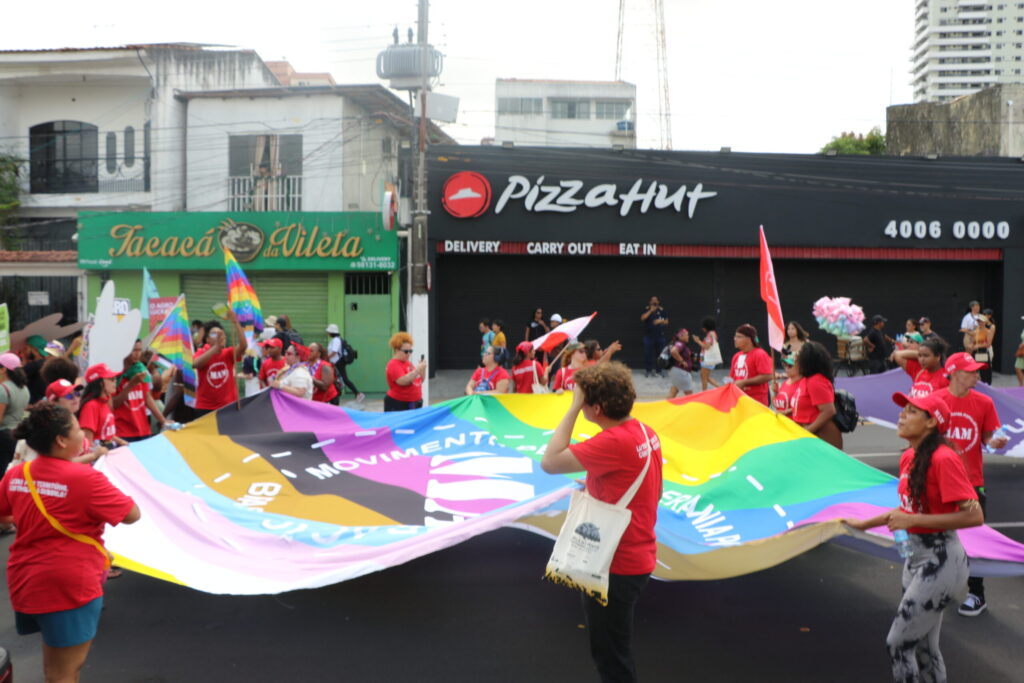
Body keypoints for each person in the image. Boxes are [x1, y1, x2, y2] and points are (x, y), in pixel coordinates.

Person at [844, 392, 981, 682]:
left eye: (911, 411)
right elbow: (908, 509)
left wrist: (913, 520)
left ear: (931, 422)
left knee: (898, 644)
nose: (901, 416)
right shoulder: (909, 456)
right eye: (902, 410)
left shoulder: (944, 459)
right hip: (916, 559)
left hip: (942, 562)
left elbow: (974, 515)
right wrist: (864, 524)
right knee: (923, 648)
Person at [0, 402, 140, 683]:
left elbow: (4, 515)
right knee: (64, 673)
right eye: (77, 429)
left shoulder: (18, 473)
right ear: (61, 440)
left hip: (25, 579)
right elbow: (131, 514)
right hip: (68, 584)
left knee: (54, 666)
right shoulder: (87, 479)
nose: (83, 436)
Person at [541, 363, 663, 683]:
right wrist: (599, 485)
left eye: (583, 402)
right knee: (615, 650)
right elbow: (651, 489)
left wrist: (571, 408)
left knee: (612, 659)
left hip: (614, 564)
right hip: (636, 555)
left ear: (595, 408)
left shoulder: (613, 442)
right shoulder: (645, 432)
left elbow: (549, 461)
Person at [932, 352, 1009, 617]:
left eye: (977, 370)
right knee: (939, 538)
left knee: (974, 539)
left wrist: (994, 442)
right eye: (971, 371)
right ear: (954, 373)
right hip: (939, 482)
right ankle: (941, 586)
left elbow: (987, 437)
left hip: (971, 482)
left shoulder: (984, 402)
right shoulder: (936, 401)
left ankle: (977, 593)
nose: (977, 375)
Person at [10, 380, 107, 470]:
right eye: (69, 396)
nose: (75, 398)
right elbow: (52, 466)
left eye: (77, 393)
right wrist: (93, 456)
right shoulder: (46, 429)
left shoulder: (71, 421)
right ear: (53, 402)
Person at [111, 340, 169, 441]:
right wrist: (131, 384)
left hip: (143, 429)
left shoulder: (141, 370)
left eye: (139, 350)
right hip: (123, 431)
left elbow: (147, 398)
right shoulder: (115, 373)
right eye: (134, 350)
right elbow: (113, 404)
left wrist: (163, 421)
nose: (137, 354)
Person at [193, 310, 246, 417]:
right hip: (205, 407)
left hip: (228, 406)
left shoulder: (228, 353)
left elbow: (243, 346)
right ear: (208, 340)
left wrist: (236, 322)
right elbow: (196, 364)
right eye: (214, 334)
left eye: (221, 334)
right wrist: (216, 347)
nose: (218, 336)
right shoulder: (202, 351)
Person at [791, 341, 843, 449]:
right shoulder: (805, 380)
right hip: (810, 436)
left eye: (799, 356)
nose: (796, 359)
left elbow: (829, 411)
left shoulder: (816, 381)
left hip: (821, 437)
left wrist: (807, 431)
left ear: (807, 361)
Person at [77, 363, 127, 452]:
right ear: (100, 383)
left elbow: (105, 434)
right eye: (111, 379)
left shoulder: (105, 402)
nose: (115, 381)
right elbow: (87, 442)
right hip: (100, 456)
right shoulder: (91, 406)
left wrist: (121, 442)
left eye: (115, 378)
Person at [0, 353, 31, 471]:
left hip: (3, 436)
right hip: (17, 434)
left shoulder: (3, 389)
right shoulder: (24, 388)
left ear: (3, 369)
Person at [729, 324, 773, 406]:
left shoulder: (760, 354)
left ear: (749, 339)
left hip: (756, 403)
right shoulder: (736, 356)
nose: (735, 339)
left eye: (739, 337)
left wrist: (744, 382)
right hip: (739, 401)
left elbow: (768, 376)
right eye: (735, 336)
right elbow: (733, 378)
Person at [384, 332, 426, 412]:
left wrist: (422, 369)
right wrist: (417, 369)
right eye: (406, 351)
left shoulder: (407, 363)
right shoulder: (393, 364)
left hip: (413, 403)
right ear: (397, 350)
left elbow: (420, 380)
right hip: (399, 403)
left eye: (410, 351)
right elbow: (402, 381)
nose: (409, 354)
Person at [326, 324, 364, 403]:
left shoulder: (336, 340)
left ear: (331, 332)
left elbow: (334, 351)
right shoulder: (336, 340)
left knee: (344, 379)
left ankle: (358, 393)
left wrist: (326, 357)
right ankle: (334, 396)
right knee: (337, 379)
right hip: (336, 362)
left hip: (338, 362)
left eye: (328, 331)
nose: (328, 333)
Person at [640, 296, 669, 378]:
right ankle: (648, 370)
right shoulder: (646, 309)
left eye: (656, 300)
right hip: (648, 336)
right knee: (648, 353)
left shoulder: (662, 310)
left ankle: (659, 371)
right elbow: (642, 318)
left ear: (658, 302)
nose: (654, 302)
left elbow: (667, 322)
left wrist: (660, 321)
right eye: (652, 300)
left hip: (660, 336)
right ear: (650, 302)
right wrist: (650, 311)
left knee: (660, 354)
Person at [20, 334, 50, 404]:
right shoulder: (48, 363)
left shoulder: (34, 366)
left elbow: (18, 376)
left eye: (26, 349)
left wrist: (24, 358)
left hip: (32, 404)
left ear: (35, 350)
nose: (25, 351)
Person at [666, 328, 696, 398]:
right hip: (681, 372)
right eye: (687, 335)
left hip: (676, 371)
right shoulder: (680, 344)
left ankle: (666, 405)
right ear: (681, 336)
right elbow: (673, 351)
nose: (688, 336)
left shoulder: (681, 344)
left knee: (673, 392)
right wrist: (682, 361)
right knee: (690, 396)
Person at [697, 317, 723, 391]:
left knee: (704, 377)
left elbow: (706, 347)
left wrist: (698, 341)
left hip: (707, 358)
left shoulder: (710, 334)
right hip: (706, 357)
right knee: (705, 376)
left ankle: (704, 393)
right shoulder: (712, 333)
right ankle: (721, 388)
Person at [973, 309, 996, 384]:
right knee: (978, 370)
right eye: (978, 321)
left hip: (985, 350)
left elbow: (988, 343)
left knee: (985, 370)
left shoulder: (990, 328)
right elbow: (974, 339)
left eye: (981, 321)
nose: (979, 322)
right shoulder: (977, 330)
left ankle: (987, 384)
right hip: (978, 351)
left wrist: (978, 345)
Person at [1016, 317, 1024, 387]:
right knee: (1018, 367)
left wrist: (1022, 344)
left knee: (1018, 367)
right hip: (1022, 350)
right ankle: (1021, 385)